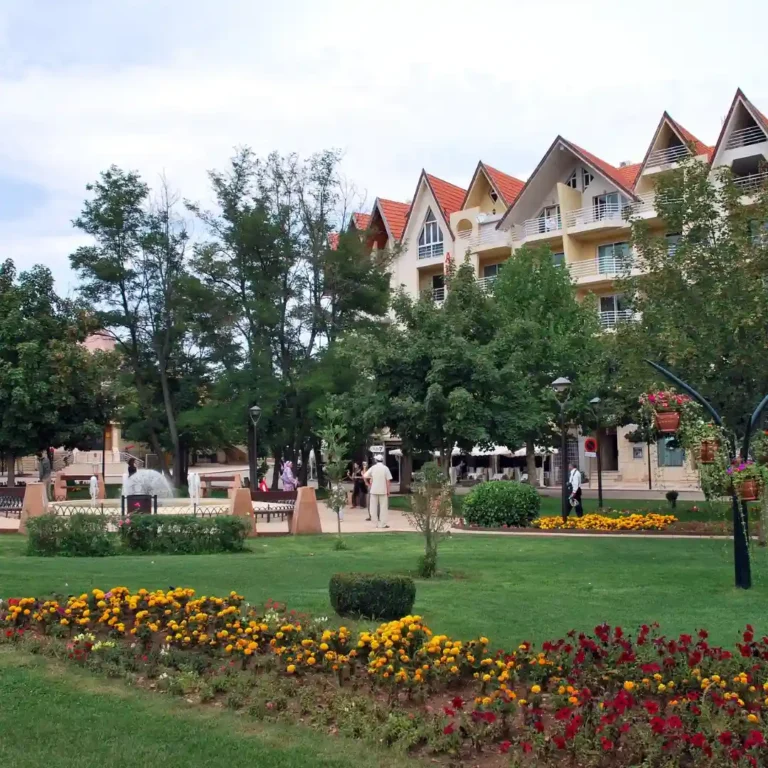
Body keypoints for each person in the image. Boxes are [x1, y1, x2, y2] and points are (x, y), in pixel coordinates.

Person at [363, 454, 392, 529]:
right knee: (383, 508)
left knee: (373, 508)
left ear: (376, 460)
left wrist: (371, 475)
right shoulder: (385, 468)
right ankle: (383, 524)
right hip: (383, 490)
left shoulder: (373, 468)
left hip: (374, 490)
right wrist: (388, 491)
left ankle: (374, 523)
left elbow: (365, 475)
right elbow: (388, 481)